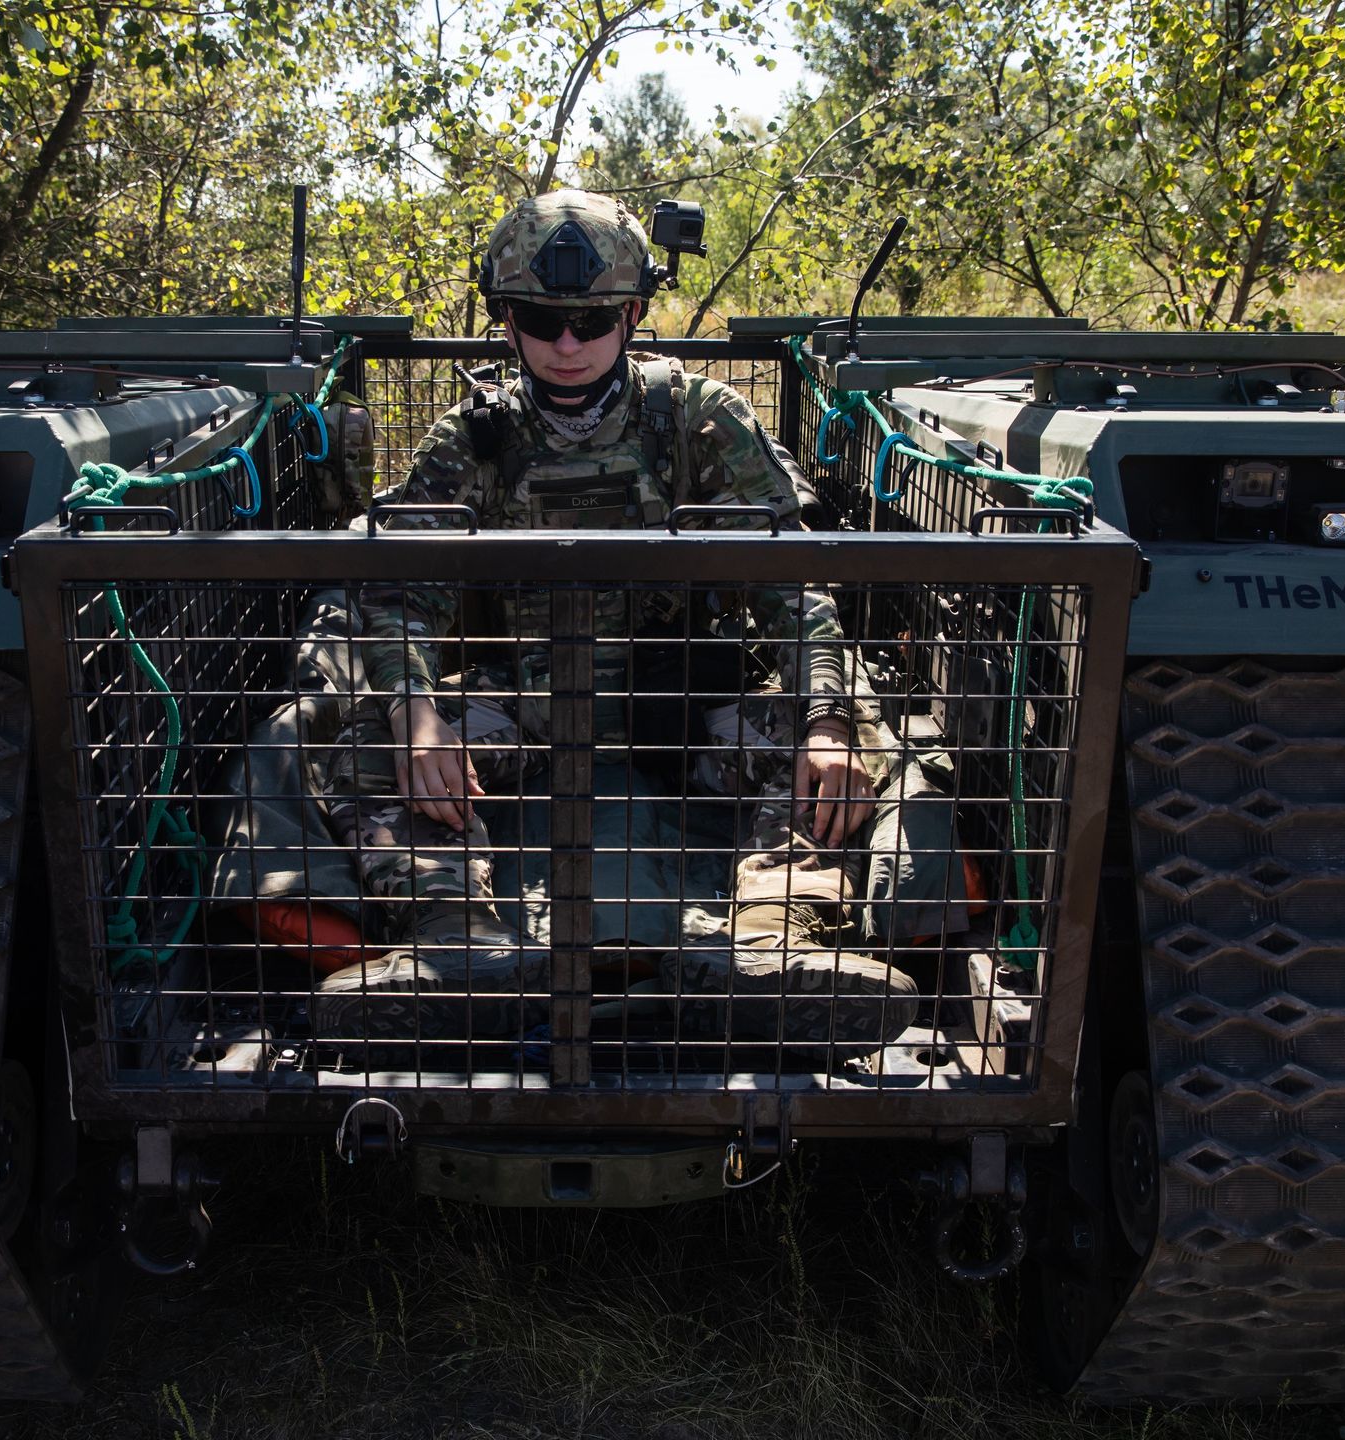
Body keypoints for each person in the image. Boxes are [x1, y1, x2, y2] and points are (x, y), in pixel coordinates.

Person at [312, 190, 919, 1053]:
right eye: (540, 318)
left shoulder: (699, 419)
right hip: (527, 705)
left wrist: (826, 720)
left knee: (848, 744)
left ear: (633, 315)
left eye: (593, 320)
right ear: (506, 318)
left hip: (675, 709)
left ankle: (768, 947)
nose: (567, 345)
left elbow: (792, 584)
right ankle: (460, 951)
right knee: (360, 745)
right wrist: (417, 720)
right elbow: (399, 596)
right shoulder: (471, 439)